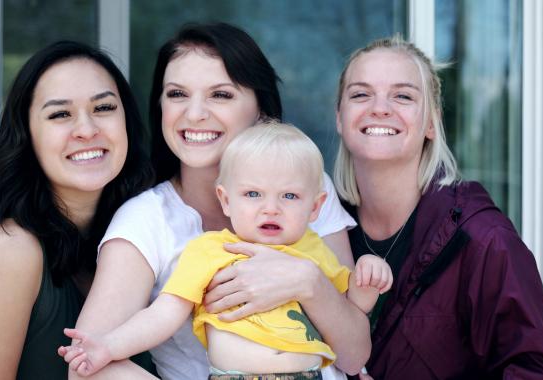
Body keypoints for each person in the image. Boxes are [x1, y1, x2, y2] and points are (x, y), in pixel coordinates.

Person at [66, 23, 371, 380]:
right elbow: (86, 370)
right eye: (177, 94)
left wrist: (308, 281)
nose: (194, 113)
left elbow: (353, 358)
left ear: (261, 110)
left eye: (220, 95)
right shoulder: (145, 221)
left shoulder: (304, 188)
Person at [60, 122, 392, 379]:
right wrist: (108, 346)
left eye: (289, 196)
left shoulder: (314, 250)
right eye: (253, 194)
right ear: (226, 200)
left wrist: (368, 277)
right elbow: (164, 314)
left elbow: (352, 314)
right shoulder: (210, 251)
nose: (270, 209)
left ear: (316, 206)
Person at [333, 35, 543, 379]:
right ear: (340, 118)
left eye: (402, 95)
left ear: (431, 123)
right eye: (360, 94)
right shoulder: (317, 231)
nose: (379, 107)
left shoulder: (484, 239)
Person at [0, 41, 154, 379]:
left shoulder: (134, 236)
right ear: (27, 136)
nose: (87, 130)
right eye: (60, 114)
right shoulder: (9, 248)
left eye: (103, 108)